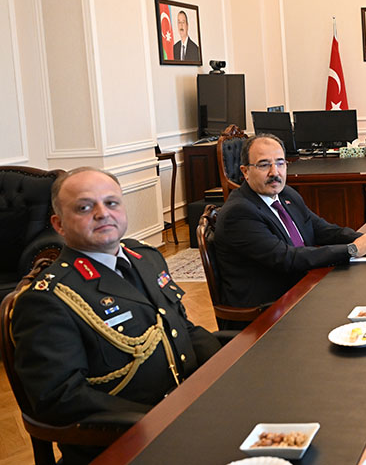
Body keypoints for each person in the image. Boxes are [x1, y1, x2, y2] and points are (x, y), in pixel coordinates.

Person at [11, 168, 220, 464]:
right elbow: (59, 398)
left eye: (111, 203)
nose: (102, 213)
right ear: (58, 224)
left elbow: (181, 328)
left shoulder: (146, 258)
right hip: (125, 444)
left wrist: (232, 366)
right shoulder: (47, 298)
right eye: (85, 207)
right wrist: (158, 421)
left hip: (185, 415)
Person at [214, 134, 366, 315]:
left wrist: (363, 239)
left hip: (303, 287)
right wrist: (352, 249)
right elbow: (287, 258)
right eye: (264, 165)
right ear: (245, 171)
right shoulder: (239, 213)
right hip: (270, 310)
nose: (275, 172)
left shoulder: (285, 194)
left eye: (280, 163)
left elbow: (320, 228)